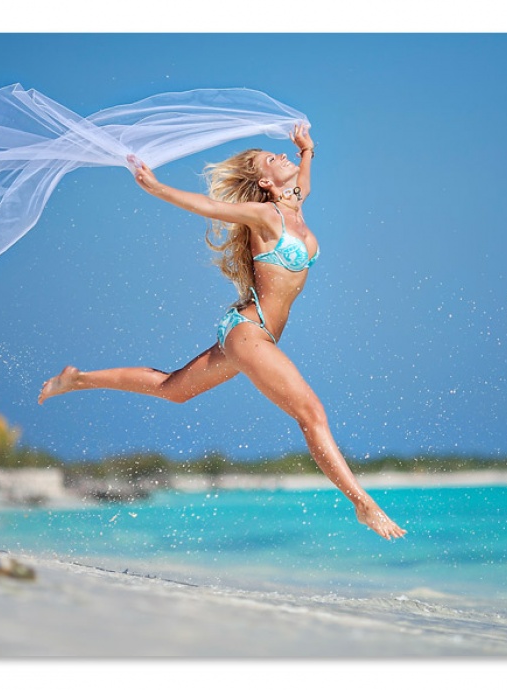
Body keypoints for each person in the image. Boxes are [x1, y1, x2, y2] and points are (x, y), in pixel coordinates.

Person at [39, 124, 406, 540]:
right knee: (311, 413)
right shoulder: (264, 216)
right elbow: (209, 206)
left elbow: (302, 182)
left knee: (173, 389)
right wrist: (158, 189)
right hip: (249, 332)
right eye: (271, 159)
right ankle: (362, 503)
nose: (281, 156)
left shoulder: (295, 204)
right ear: (265, 182)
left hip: (253, 334)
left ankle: (78, 379)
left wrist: (307, 150)